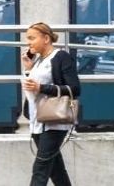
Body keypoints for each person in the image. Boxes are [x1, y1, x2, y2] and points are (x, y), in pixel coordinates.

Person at [21, 21, 80, 186]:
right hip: (37, 121)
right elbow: (33, 90)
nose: (28, 42)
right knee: (56, 170)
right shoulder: (39, 60)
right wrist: (28, 69)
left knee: (40, 169)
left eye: (32, 38)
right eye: (28, 38)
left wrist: (42, 87)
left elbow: (74, 88)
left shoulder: (61, 57)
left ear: (46, 38)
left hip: (54, 123)